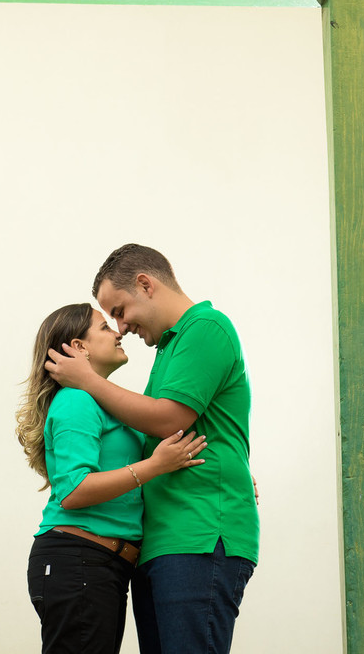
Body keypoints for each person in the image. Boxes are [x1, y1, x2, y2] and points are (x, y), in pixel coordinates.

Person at [45, 244, 259, 654]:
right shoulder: (168, 349)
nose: (121, 327)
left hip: (196, 536)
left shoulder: (206, 328)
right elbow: (161, 434)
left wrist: (88, 379)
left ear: (145, 284)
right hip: (160, 543)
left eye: (120, 311)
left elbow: (168, 420)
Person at [18, 302, 207, 654]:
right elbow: (73, 491)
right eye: (104, 327)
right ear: (78, 348)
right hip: (79, 561)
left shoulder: (103, 402)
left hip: (100, 566)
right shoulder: (76, 400)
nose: (118, 331)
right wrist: (155, 466)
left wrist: (220, 478)